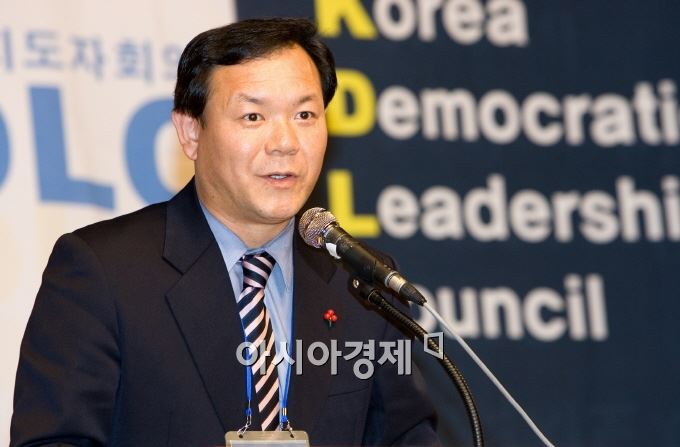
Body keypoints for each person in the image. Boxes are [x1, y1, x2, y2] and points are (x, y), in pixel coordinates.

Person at [11, 18, 440, 446]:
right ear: (190, 132)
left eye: (305, 115)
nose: (285, 142)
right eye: (253, 116)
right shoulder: (104, 272)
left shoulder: (359, 284)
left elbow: (406, 437)